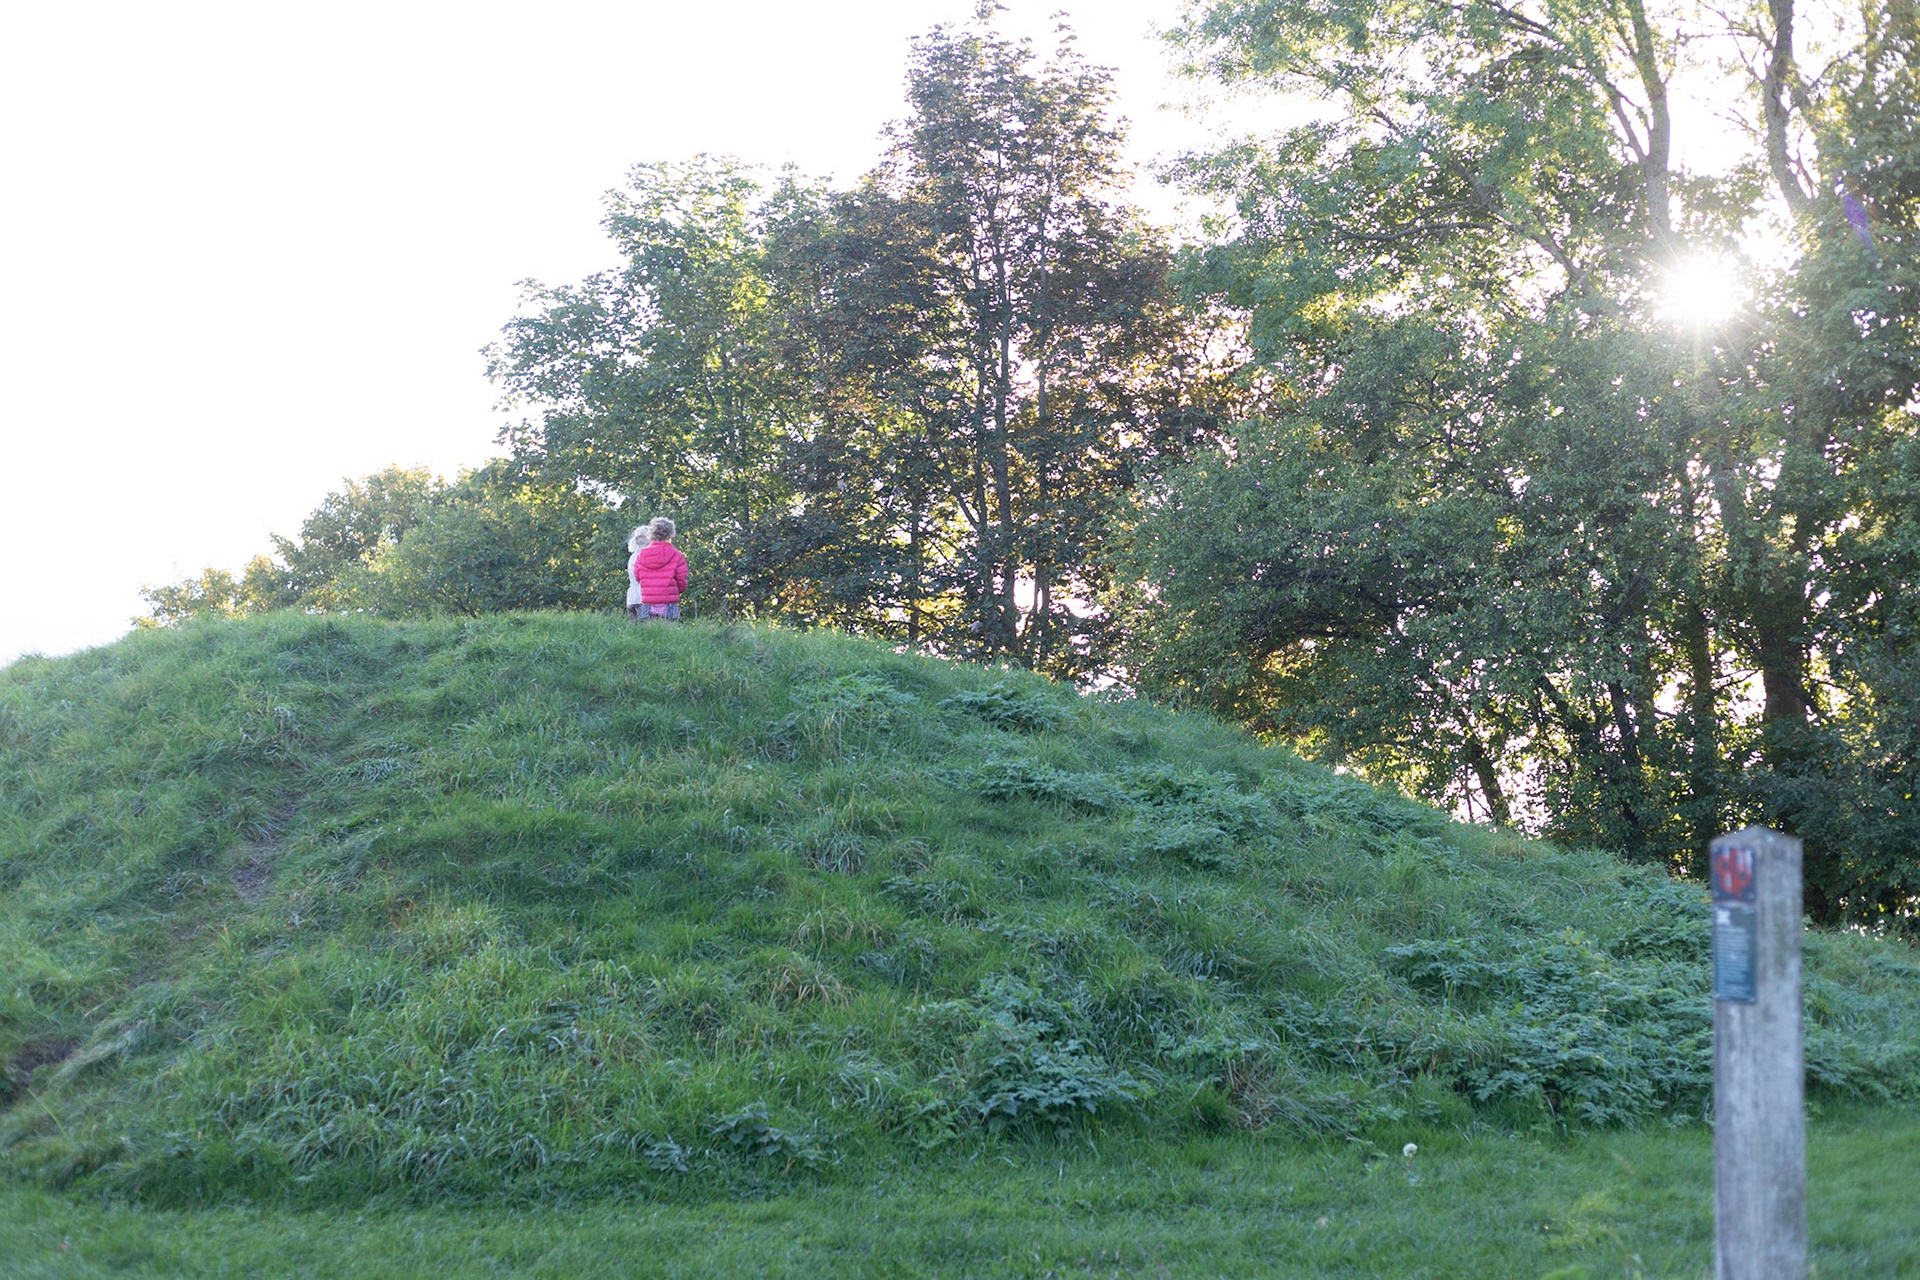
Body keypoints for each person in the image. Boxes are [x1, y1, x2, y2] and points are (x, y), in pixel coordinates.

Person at [627, 517, 688, 622]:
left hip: (648, 602)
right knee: (670, 630)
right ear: (670, 534)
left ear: (652, 535)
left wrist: (649, 588)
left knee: (647, 631)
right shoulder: (677, 555)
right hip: (669, 602)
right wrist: (676, 590)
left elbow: (637, 576)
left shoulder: (641, 555)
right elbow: (681, 580)